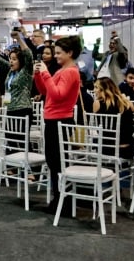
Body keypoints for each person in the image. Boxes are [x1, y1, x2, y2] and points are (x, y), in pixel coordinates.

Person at [33, 35, 82, 214]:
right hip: (54, 120)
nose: (56, 56)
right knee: (54, 162)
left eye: (59, 53)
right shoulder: (63, 71)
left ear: (70, 53)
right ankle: (59, 199)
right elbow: (45, 91)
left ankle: (63, 200)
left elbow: (58, 95)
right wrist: (39, 75)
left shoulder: (70, 72)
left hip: (60, 121)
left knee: (57, 163)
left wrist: (45, 73)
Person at [92, 77, 134, 160]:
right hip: (128, 148)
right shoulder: (124, 102)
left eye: (96, 87)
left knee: (95, 139)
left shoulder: (97, 103)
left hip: (108, 149)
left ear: (105, 89)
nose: (94, 90)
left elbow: (99, 129)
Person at [4, 30, 34, 122]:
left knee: (20, 136)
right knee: (9, 136)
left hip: (23, 109)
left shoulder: (25, 71)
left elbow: (28, 55)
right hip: (10, 108)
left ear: (21, 60)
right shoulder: (10, 73)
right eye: (10, 59)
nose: (11, 61)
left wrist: (18, 39)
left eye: (14, 59)